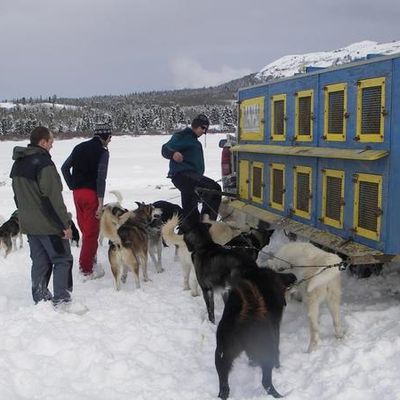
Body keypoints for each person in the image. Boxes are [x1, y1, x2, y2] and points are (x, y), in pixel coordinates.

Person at [10, 126, 75, 309]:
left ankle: (40, 298)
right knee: (62, 259)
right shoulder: (44, 164)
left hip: (29, 224)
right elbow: (53, 197)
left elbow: (17, 196)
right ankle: (62, 300)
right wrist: (65, 224)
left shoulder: (18, 163)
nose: (52, 146)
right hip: (49, 224)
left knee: (39, 261)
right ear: (43, 142)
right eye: (51, 142)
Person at [61, 123, 111, 279]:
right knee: (91, 232)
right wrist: (100, 202)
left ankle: (91, 258)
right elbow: (101, 178)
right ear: (106, 137)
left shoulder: (79, 147)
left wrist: (73, 185)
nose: (110, 141)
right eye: (110, 138)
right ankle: (86, 269)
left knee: (84, 227)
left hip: (77, 194)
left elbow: (64, 168)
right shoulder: (103, 152)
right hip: (91, 195)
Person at [161, 114, 221, 228]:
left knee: (191, 212)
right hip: (183, 175)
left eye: (206, 130)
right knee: (214, 189)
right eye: (203, 128)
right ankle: (207, 227)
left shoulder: (194, 140)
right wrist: (173, 154)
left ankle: (188, 233)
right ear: (196, 125)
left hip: (191, 176)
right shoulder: (183, 135)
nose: (204, 132)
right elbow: (165, 148)